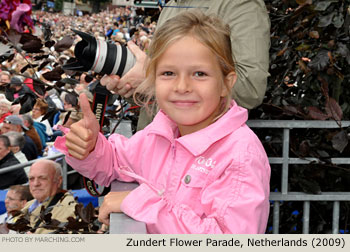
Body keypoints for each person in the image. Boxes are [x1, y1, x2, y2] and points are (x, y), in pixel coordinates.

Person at [55, 10, 271, 234]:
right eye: (168, 73)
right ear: (153, 78)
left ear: (227, 83)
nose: (182, 86)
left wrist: (139, 203)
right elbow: (116, 161)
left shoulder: (240, 156)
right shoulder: (161, 132)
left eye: (199, 74)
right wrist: (90, 147)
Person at [101, 0, 270, 130]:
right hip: (156, 152)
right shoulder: (173, 5)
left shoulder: (240, 5)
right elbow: (160, 89)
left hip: (204, 159)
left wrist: (152, 77)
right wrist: (134, 86)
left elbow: (250, 89)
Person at [17, 160, 77, 234]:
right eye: (31, 179)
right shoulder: (29, 204)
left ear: (58, 181)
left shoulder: (68, 208)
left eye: (42, 178)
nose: (36, 184)